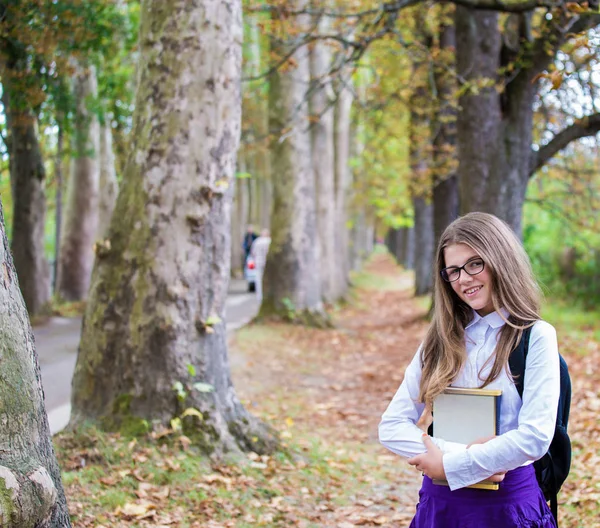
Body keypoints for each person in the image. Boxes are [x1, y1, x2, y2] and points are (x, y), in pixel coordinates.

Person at [379, 212, 559, 528]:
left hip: (509, 504)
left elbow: (535, 437)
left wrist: (456, 464)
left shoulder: (535, 336)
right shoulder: (439, 339)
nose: (464, 278)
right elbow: (392, 425)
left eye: (475, 264)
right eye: (453, 270)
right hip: (443, 503)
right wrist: (454, 462)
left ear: (500, 259)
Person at [250, 228, 271, 302]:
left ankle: (260, 297)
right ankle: (268, 296)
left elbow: (253, 253)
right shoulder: (270, 241)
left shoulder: (257, 241)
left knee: (258, 280)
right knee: (268, 280)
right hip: (268, 264)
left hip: (258, 262)